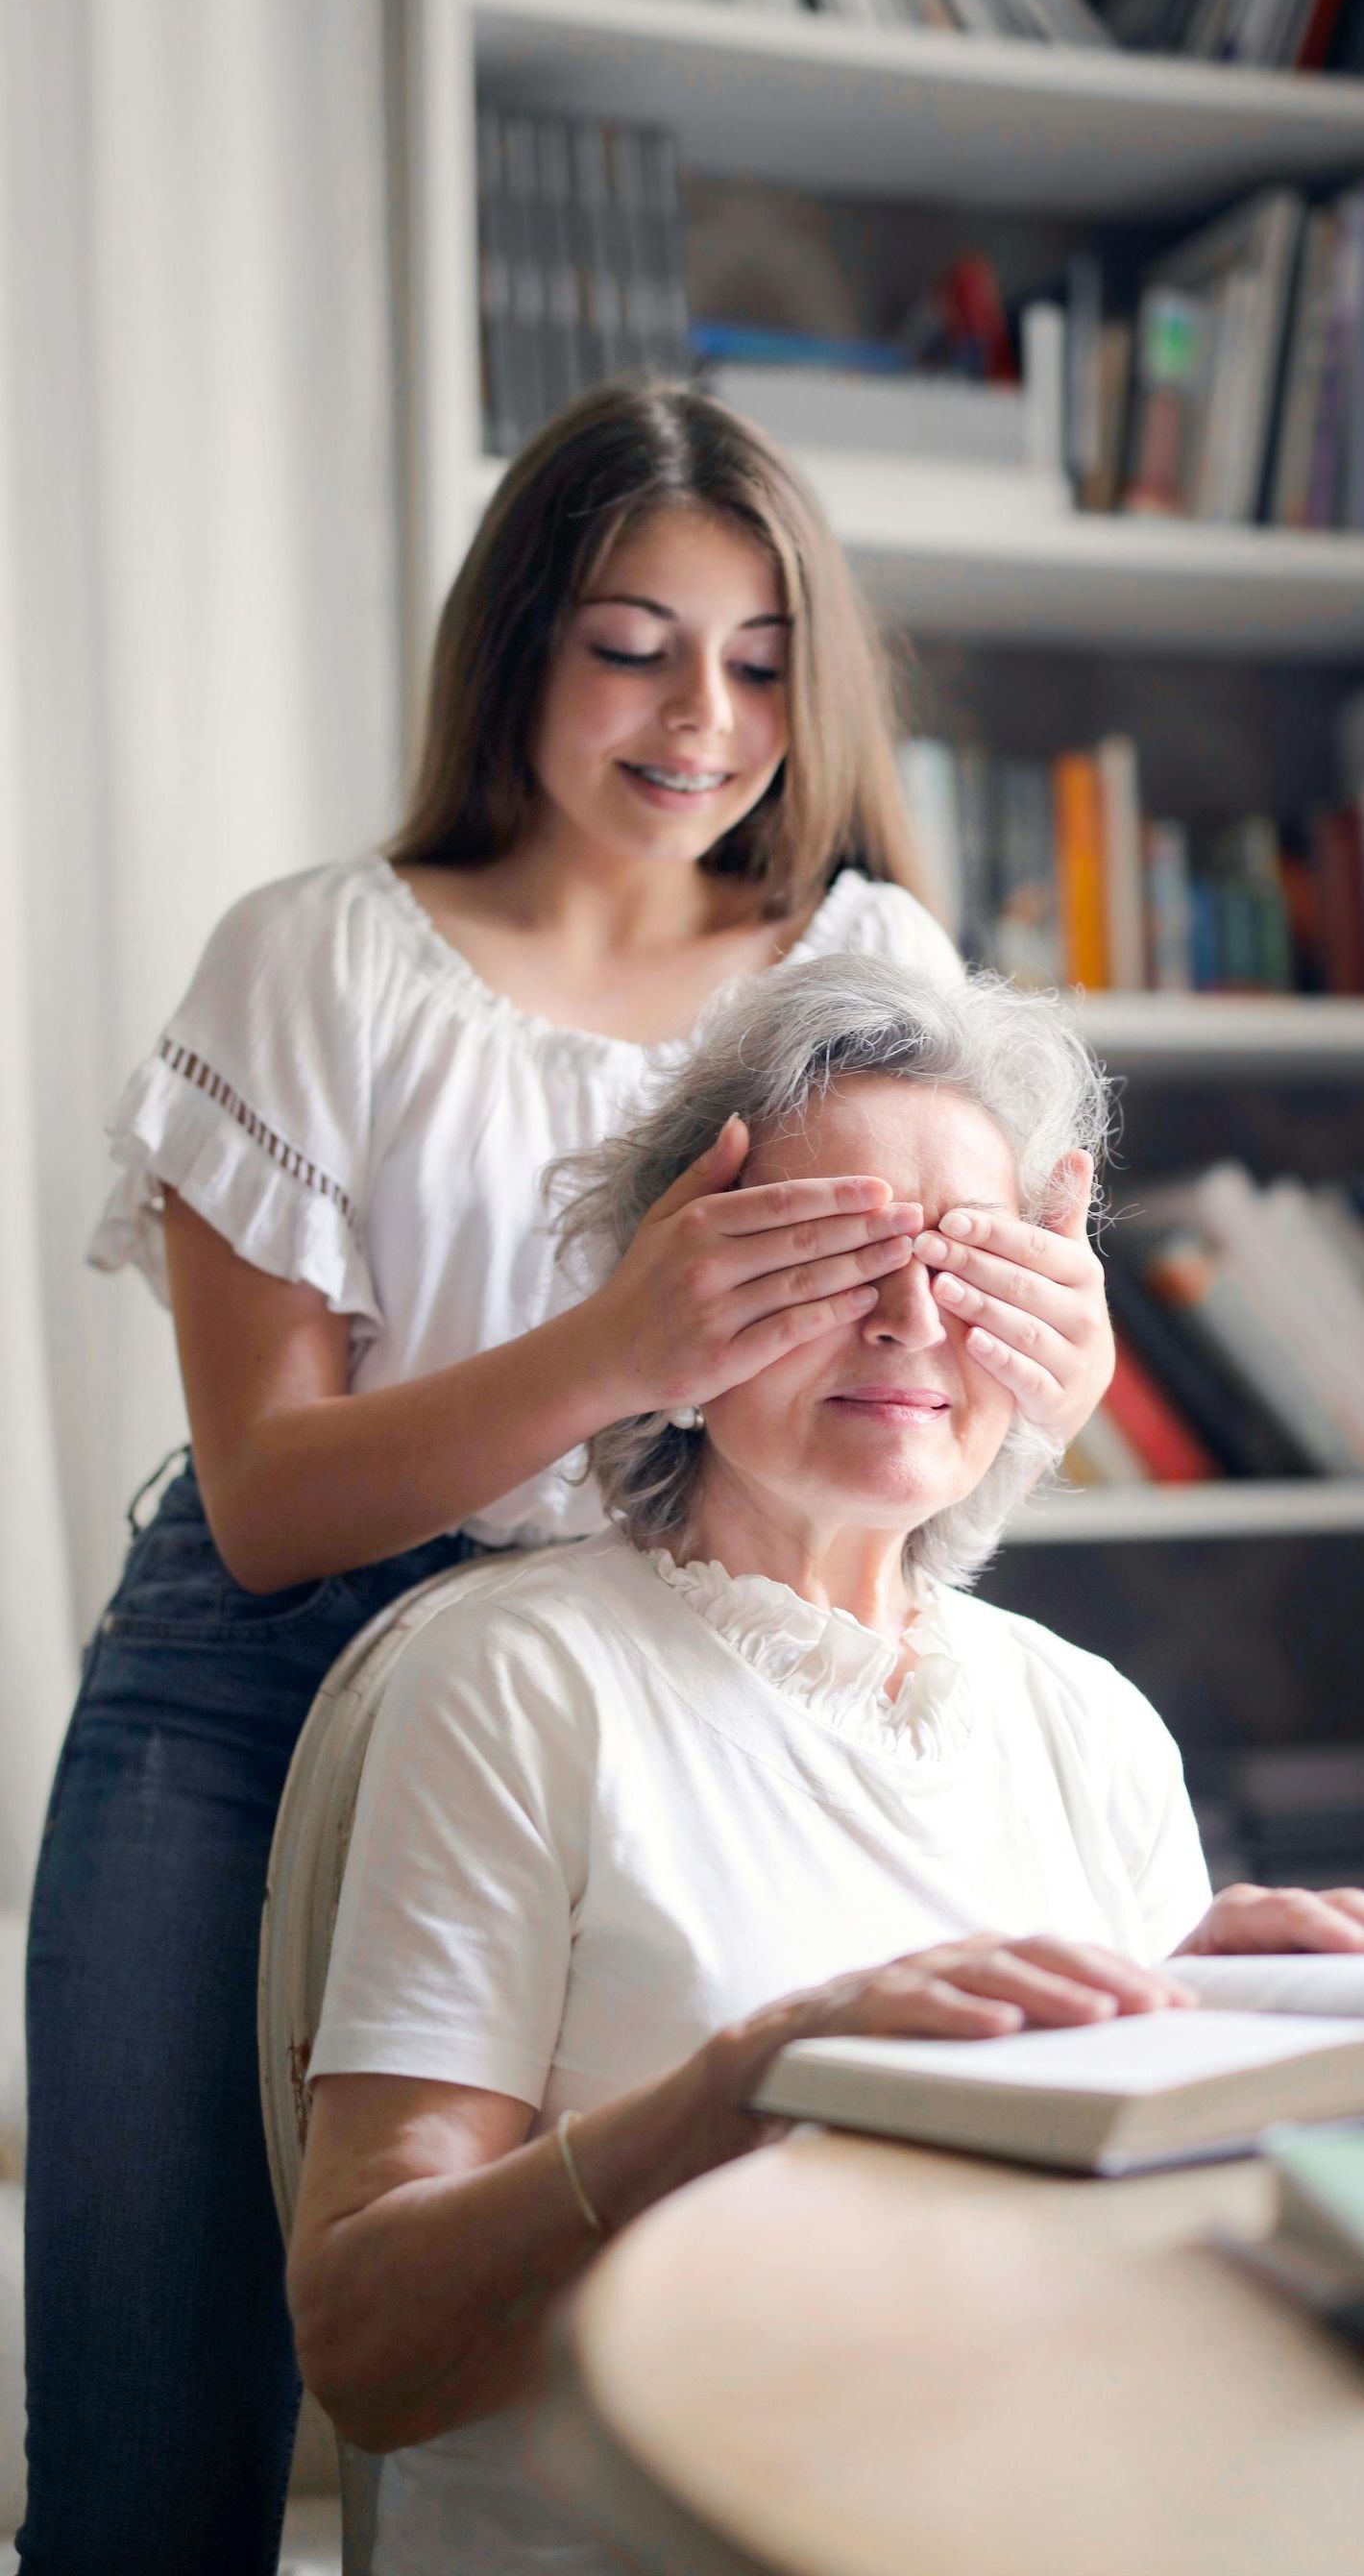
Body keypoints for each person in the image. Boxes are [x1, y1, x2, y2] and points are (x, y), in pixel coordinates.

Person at [22, 384, 1118, 2576]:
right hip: (264, 1670)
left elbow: (919, 1427)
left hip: (680, 1658)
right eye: (627, 644)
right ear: (512, 646)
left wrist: (1049, 1382)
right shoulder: (314, 956)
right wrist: (619, 1344)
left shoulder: (864, 962)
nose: (698, 715)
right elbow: (265, 1501)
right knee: (154, 2418)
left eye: (757, 656)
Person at [291, 954, 1364, 2576]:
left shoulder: (1092, 1723)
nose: (915, 1319)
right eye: (830, 1257)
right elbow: (369, 2353)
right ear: (679, 1295)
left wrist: (1208, 2032)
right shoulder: (513, 1682)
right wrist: (755, 2078)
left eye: (967, 1260)